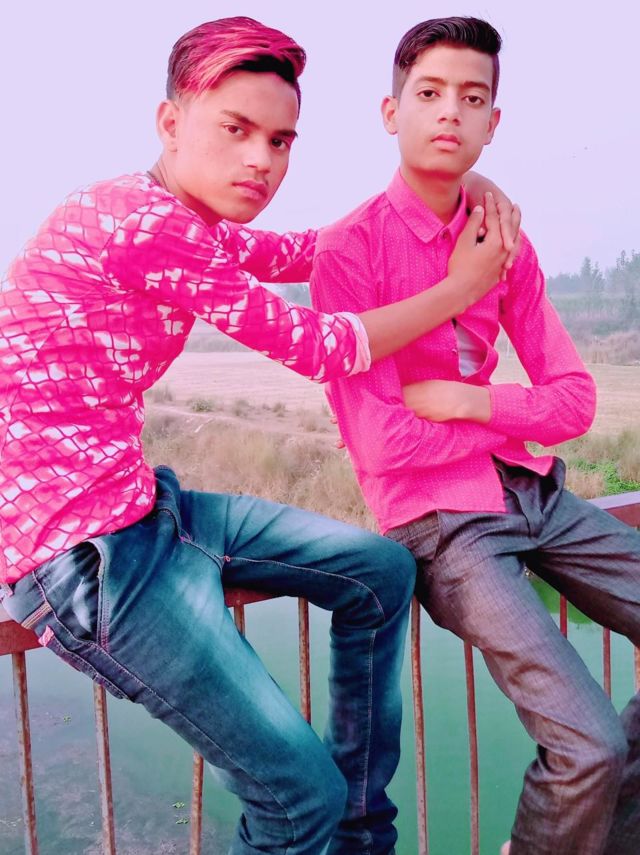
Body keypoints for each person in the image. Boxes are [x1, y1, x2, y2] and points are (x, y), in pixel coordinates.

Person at [0, 16, 521, 855]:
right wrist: (460, 288)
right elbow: (322, 346)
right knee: (296, 799)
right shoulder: (143, 222)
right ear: (171, 123)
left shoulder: (186, 219)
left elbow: (313, 250)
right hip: (85, 562)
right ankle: (331, 825)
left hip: (144, 509)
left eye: (280, 141)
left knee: (382, 571)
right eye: (236, 130)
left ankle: (356, 837)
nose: (261, 161)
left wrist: (454, 180)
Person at [311, 15, 640, 855]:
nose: (449, 112)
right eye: (429, 93)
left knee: (601, 760)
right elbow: (379, 444)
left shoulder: (501, 240)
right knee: (588, 743)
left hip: (535, 493)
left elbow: (574, 402)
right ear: (391, 112)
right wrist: (498, 423)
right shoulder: (349, 250)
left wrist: (467, 401)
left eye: (471, 97)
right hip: (442, 525)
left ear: (494, 121)